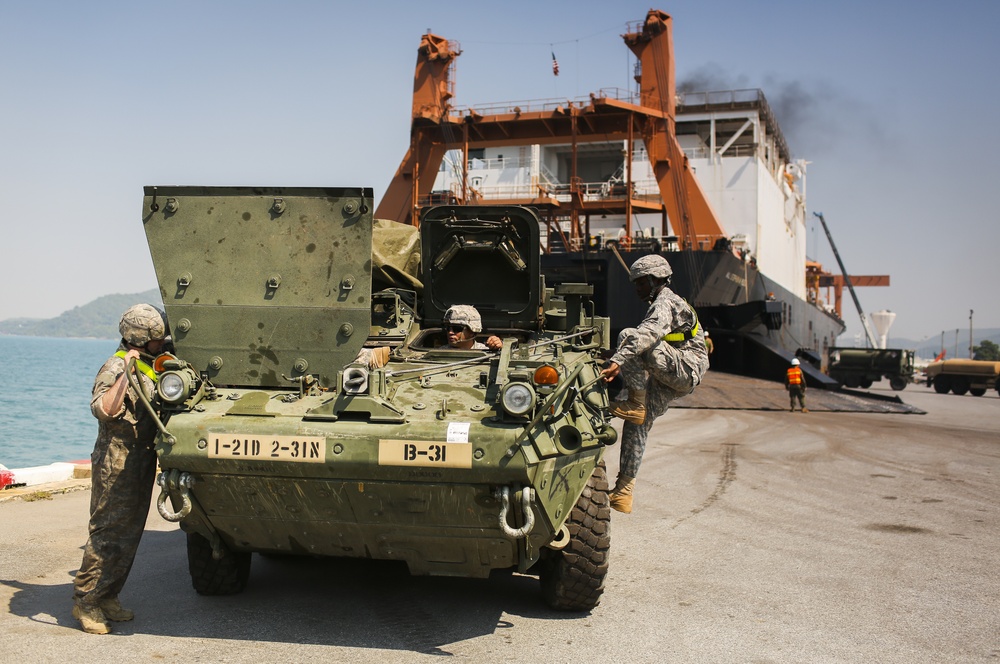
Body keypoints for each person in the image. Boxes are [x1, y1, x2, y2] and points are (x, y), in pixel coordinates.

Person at [72, 304, 168, 634]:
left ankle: (108, 595)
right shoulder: (116, 366)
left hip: (138, 461)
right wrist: (125, 374)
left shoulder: (151, 364)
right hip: (115, 463)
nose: (162, 342)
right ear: (142, 338)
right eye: (157, 337)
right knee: (106, 534)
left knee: (128, 535)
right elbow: (104, 409)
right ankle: (86, 603)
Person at [600, 255, 709, 514]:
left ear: (655, 280)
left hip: (686, 366)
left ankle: (635, 400)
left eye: (640, 283)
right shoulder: (665, 302)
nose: (637, 289)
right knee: (637, 423)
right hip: (676, 373)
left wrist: (616, 361)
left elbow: (646, 335)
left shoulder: (666, 302)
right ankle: (623, 492)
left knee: (629, 335)